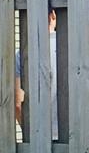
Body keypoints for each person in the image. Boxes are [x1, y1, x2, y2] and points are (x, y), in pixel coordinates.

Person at [14, 8, 58, 139]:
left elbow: (17, 103)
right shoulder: (73, 47)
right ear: (53, 15)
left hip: (38, 135)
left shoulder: (22, 54)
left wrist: (30, 132)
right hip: (76, 134)